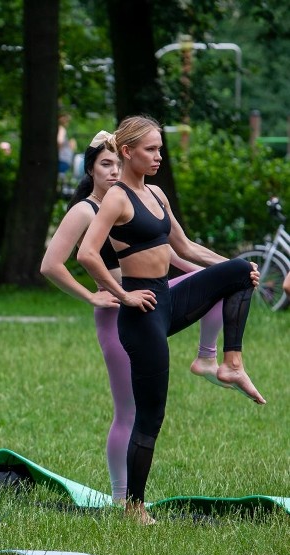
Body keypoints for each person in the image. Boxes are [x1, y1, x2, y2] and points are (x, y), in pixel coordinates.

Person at [76, 115, 266, 524]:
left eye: (160, 148)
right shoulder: (116, 198)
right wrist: (123, 293)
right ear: (127, 152)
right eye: (151, 149)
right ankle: (134, 506)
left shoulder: (158, 195)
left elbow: (185, 247)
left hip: (167, 298)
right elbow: (87, 254)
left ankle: (230, 363)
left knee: (238, 271)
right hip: (140, 313)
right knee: (150, 415)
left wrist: (234, 266)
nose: (159, 156)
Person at [41, 130, 231, 503]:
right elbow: (51, 264)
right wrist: (94, 296)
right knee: (128, 411)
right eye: (104, 164)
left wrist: (232, 269)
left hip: (152, 304)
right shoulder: (86, 210)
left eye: (117, 163)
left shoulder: (136, 200)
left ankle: (208, 356)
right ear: (91, 170)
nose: (113, 171)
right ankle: (119, 497)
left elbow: (179, 254)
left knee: (220, 288)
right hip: (118, 315)